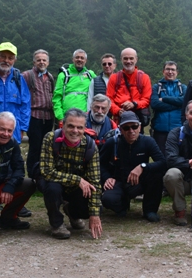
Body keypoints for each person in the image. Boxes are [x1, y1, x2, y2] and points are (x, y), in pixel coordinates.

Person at [38, 108, 103, 239]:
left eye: (79, 127)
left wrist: (94, 215)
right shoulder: (50, 138)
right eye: (71, 126)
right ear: (63, 125)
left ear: (85, 128)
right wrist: (78, 180)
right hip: (53, 182)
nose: (75, 131)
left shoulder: (91, 147)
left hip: (74, 189)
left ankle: (72, 212)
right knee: (52, 188)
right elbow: (47, 172)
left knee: (94, 207)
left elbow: (95, 181)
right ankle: (57, 224)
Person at [100, 112, 167, 222]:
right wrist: (107, 177)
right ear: (121, 129)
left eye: (134, 126)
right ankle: (122, 206)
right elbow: (100, 163)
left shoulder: (148, 141)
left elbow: (162, 163)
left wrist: (143, 166)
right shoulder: (112, 143)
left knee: (156, 174)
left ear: (140, 127)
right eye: (126, 128)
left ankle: (150, 210)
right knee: (108, 199)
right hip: (118, 181)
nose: (131, 131)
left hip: (140, 181)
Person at [22, 49, 55, 181]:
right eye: (39, 60)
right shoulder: (27, 75)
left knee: (45, 147)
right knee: (35, 147)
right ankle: (32, 177)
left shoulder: (50, 77)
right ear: (34, 62)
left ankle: (43, 175)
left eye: (44, 60)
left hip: (48, 117)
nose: (41, 62)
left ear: (48, 62)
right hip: (33, 116)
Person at [106, 48, 152, 130]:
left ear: (136, 59)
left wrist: (134, 104)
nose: (128, 61)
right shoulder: (114, 78)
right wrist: (118, 110)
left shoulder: (144, 78)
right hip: (119, 119)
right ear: (121, 59)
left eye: (131, 58)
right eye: (125, 58)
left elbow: (146, 99)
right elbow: (109, 99)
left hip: (137, 119)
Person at [150, 61, 187, 154]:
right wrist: (177, 104)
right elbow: (154, 104)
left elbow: (185, 102)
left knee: (177, 156)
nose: (170, 72)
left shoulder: (183, 88)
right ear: (163, 71)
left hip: (178, 130)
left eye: (173, 70)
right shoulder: (156, 87)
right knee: (161, 158)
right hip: (160, 130)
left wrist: (165, 99)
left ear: (177, 72)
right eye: (168, 69)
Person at [53, 49, 96, 123]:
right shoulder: (63, 75)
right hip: (67, 116)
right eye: (77, 57)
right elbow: (57, 98)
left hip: (86, 116)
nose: (79, 59)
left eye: (82, 58)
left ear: (85, 60)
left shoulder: (90, 74)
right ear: (73, 59)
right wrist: (60, 117)